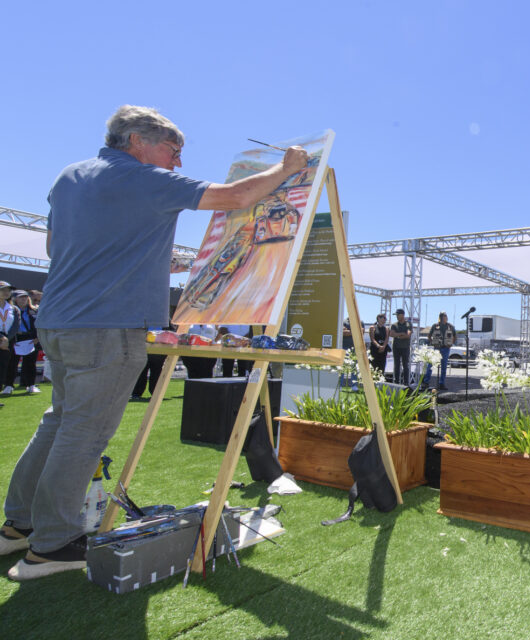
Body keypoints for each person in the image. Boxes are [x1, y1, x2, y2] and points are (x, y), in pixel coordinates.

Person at [0, 104, 308, 581]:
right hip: (107, 326)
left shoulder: (70, 176)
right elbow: (236, 195)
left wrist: (137, 265)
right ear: (137, 140)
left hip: (61, 321)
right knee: (83, 432)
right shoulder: (143, 178)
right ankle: (53, 544)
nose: (178, 162)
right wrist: (288, 169)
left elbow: (57, 246)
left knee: (58, 422)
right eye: (173, 149)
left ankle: (17, 525)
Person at [12, 290, 41, 394]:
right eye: (20, 297)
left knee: (30, 363)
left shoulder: (34, 310)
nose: (23, 299)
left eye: (25, 297)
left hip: (31, 339)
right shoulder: (11, 310)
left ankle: (31, 385)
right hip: (16, 338)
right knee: (12, 363)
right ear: (15, 299)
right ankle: (8, 385)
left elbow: (39, 324)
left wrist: (37, 337)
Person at [423, 311, 456, 390]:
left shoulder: (450, 326)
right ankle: (426, 382)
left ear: (446, 318)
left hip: (446, 348)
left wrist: (451, 343)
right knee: (430, 365)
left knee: (444, 367)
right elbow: (429, 336)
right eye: (442, 316)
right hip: (436, 349)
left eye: (444, 316)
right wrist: (433, 342)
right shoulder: (435, 326)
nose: (443, 318)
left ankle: (442, 383)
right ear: (440, 318)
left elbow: (455, 336)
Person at [0, 281, 19, 403]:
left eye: (8, 290)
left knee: (2, 369)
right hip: (3, 340)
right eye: (3, 290)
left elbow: (16, 326)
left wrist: (7, 339)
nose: (6, 292)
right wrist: (2, 338)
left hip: (8, 343)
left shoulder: (14, 308)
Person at [390, 309, 412, 385]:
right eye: (396, 315)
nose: (397, 316)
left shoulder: (408, 324)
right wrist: (401, 334)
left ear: (402, 315)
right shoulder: (394, 325)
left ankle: (406, 383)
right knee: (397, 365)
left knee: (405, 365)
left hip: (405, 347)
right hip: (396, 347)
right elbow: (392, 334)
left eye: (398, 315)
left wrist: (398, 335)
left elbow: (408, 335)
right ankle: (396, 382)